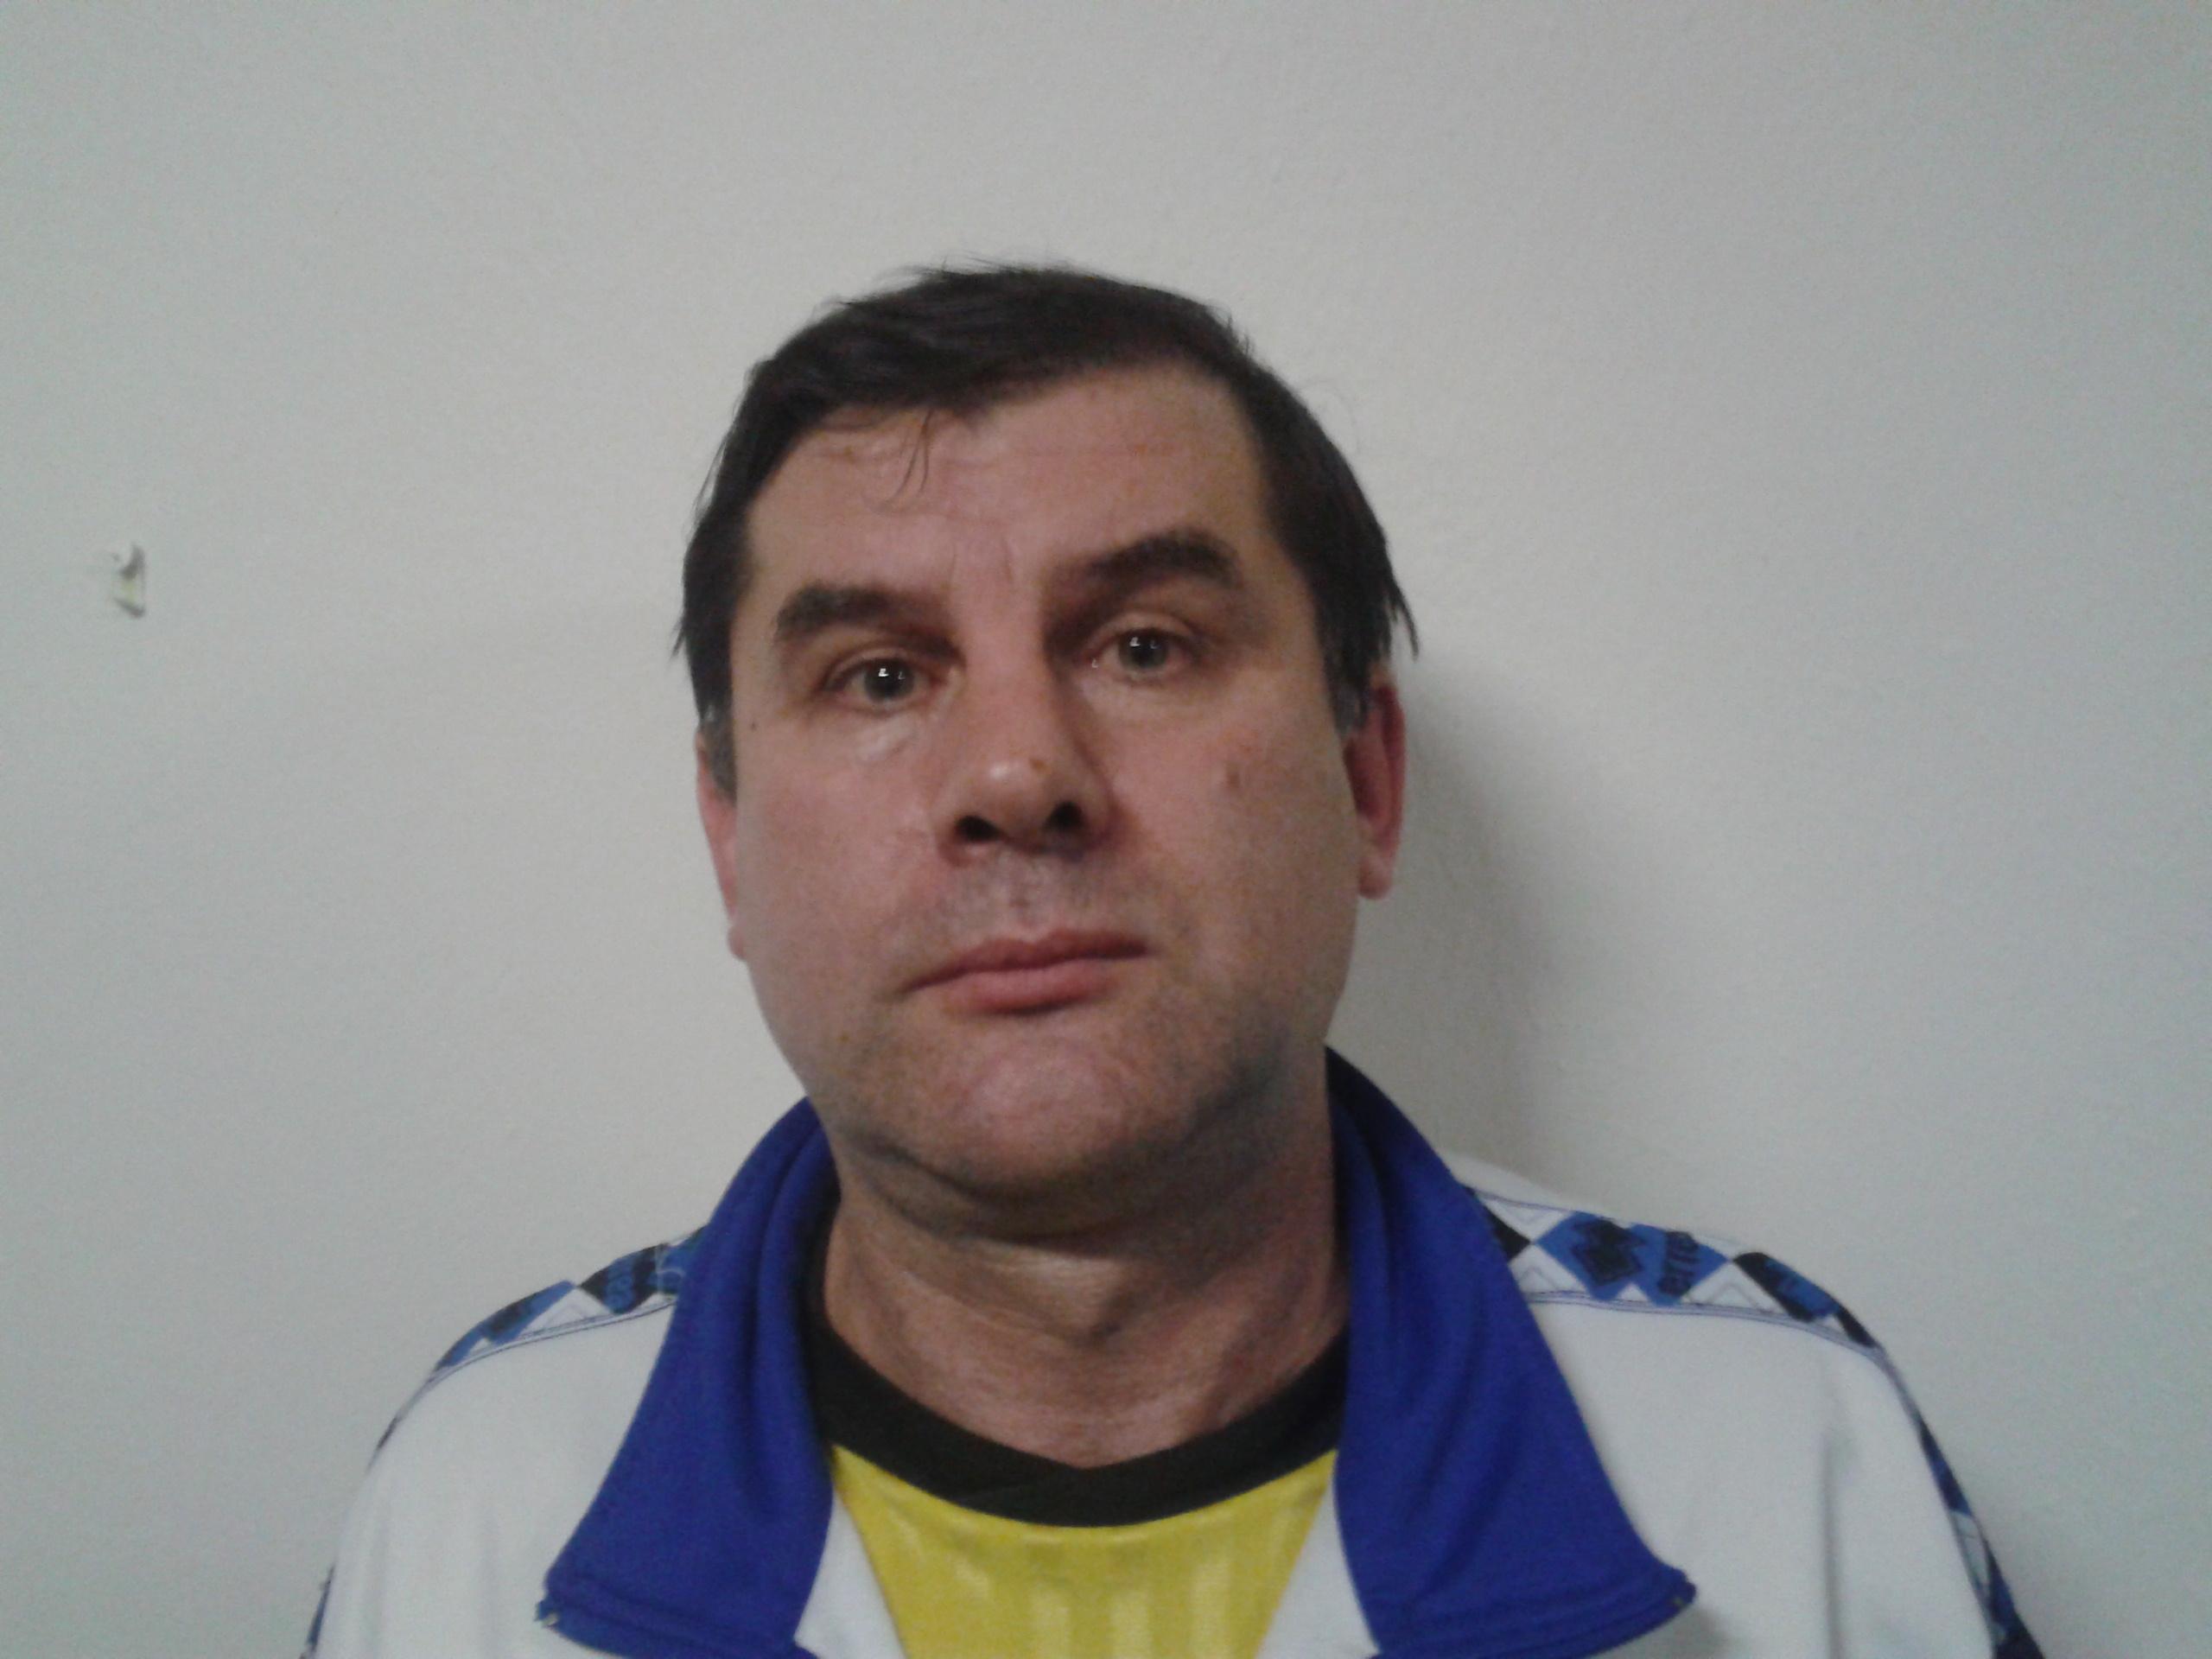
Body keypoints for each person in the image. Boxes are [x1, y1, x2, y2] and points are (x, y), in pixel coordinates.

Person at [305, 266, 2040, 1658]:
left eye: (1145, 646)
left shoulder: (1783, 1454)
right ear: (727, 837)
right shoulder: (478, 1507)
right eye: (881, 677)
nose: (1017, 775)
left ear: (1365, 781)